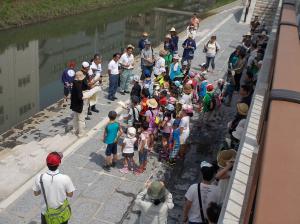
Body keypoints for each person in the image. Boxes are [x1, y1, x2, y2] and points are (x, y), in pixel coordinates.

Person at [33, 152, 75, 224]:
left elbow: (36, 193)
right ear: (59, 164)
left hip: (46, 213)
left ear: (46, 163)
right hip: (62, 212)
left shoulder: (39, 178)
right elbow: (70, 194)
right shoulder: (65, 178)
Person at [70, 71, 89, 137]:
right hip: (79, 104)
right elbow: (79, 96)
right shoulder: (78, 84)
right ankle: (81, 133)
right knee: (81, 120)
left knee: (75, 118)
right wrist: (85, 97)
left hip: (74, 104)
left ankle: (74, 130)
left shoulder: (74, 83)